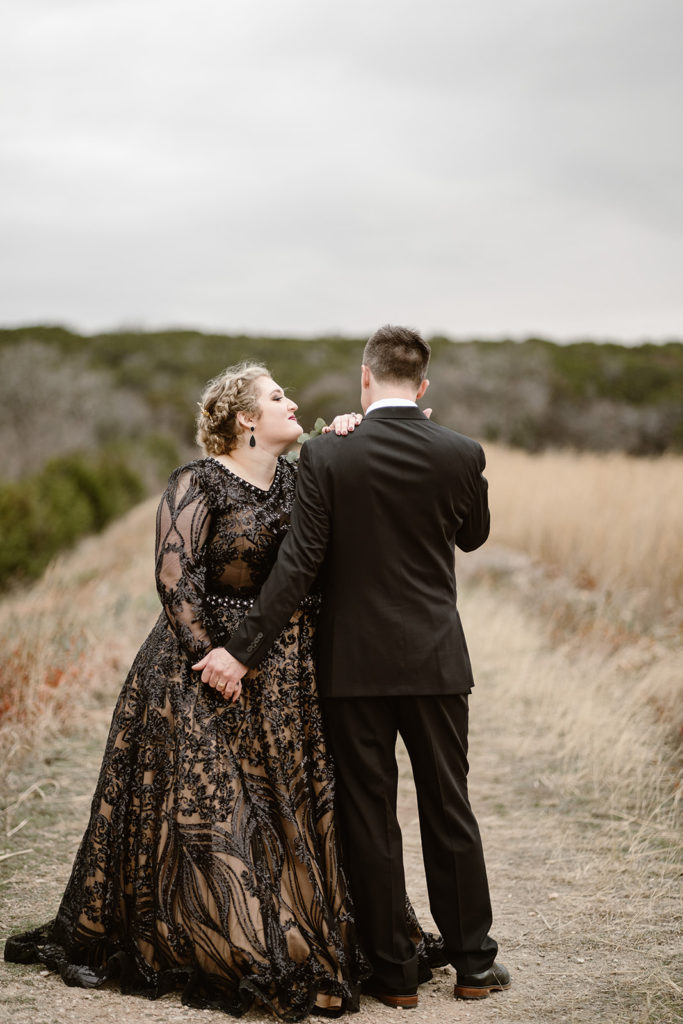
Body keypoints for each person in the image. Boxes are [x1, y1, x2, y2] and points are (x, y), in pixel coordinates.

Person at [5, 363, 442, 1020]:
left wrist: (362, 434)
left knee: (292, 810)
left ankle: (302, 926)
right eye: (277, 396)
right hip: (204, 671)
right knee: (217, 815)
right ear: (245, 418)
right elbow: (173, 577)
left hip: (291, 673)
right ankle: (223, 935)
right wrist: (210, 656)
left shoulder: (305, 477)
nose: (292, 403)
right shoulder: (198, 482)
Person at [201, 326, 511, 1008]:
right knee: (449, 807)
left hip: (352, 662)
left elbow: (298, 565)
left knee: (369, 814)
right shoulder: (462, 452)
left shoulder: (328, 454)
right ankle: (473, 965)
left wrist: (242, 648)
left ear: (365, 378)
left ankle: (395, 977)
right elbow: (473, 535)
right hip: (435, 660)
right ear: (422, 386)